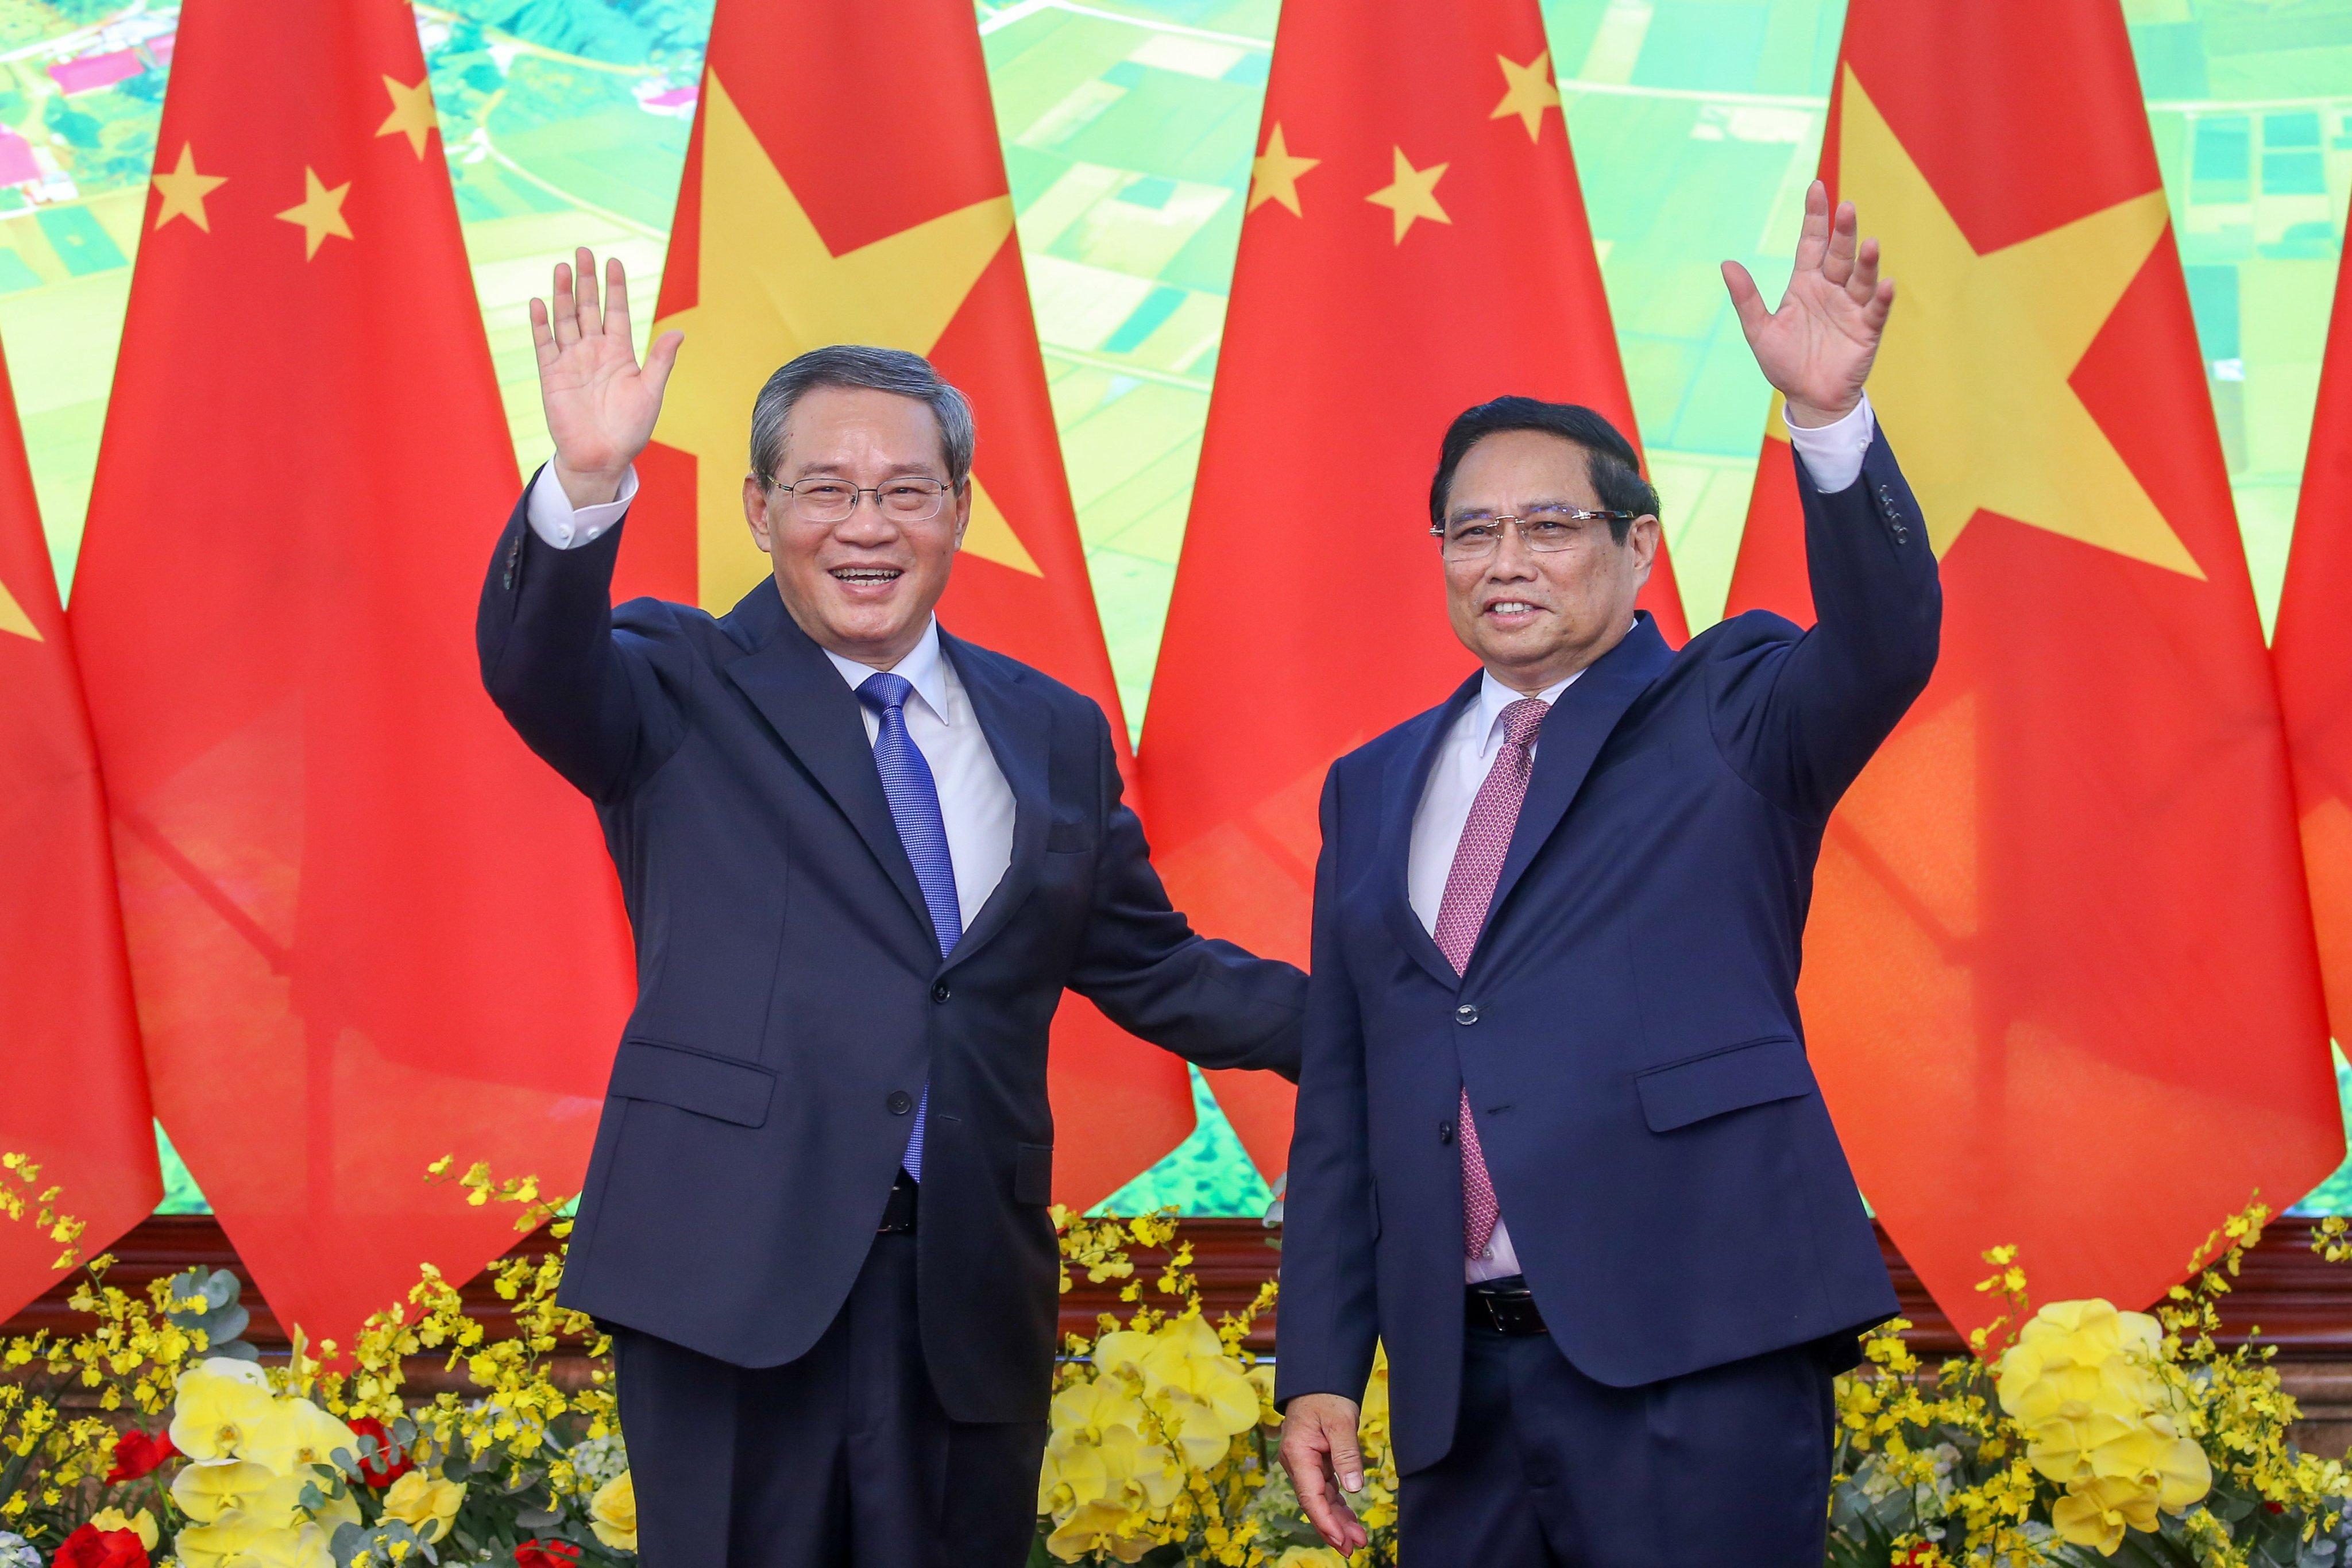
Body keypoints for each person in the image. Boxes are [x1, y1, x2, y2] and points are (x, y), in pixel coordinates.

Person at [477, 253, 1307, 1567]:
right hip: (728, 1279)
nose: (865, 525)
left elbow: (1158, 971)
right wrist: (585, 486)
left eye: (903, 492)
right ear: (759, 509)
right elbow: (535, 670)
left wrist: (1399, 1023)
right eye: (824, 490)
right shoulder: (673, 680)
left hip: (963, 1292)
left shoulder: (1051, 730)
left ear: (957, 510)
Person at [1273, 183, 1938, 1566]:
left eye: (1549, 526)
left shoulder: (1730, 712)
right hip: (1459, 1387)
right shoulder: (1372, 783)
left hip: (1697, 1353)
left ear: (1637, 548)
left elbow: (1882, 647)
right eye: (1471, 531)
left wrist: (1826, 423)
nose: (1505, 560)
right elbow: (1347, 1090)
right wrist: (1322, 1362)